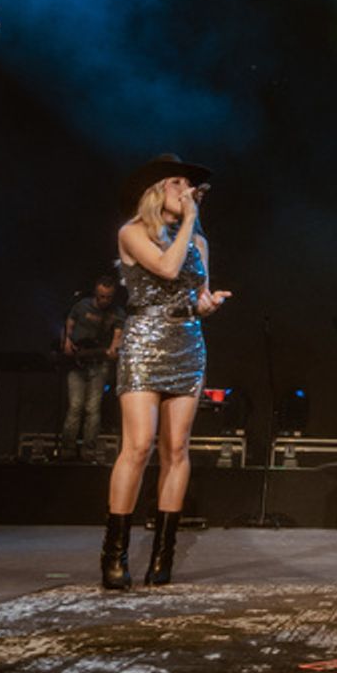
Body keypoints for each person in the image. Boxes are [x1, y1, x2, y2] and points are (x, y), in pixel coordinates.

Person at [100, 154, 231, 590]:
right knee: (138, 446)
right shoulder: (133, 232)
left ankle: (163, 554)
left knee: (176, 449)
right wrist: (190, 220)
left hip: (187, 341)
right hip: (144, 340)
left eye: (188, 185)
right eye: (177, 182)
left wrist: (207, 305)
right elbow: (167, 268)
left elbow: (196, 295)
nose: (186, 190)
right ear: (156, 190)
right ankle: (114, 553)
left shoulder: (199, 242)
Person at [61, 275, 126, 461]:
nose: (104, 300)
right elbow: (69, 323)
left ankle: (88, 450)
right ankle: (67, 449)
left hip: (99, 362)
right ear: (96, 294)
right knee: (75, 406)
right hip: (78, 361)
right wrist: (66, 341)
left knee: (93, 407)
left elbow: (118, 334)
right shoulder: (82, 306)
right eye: (101, 296)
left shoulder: (117, 313)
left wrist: (114, 349)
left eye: (108, 297)